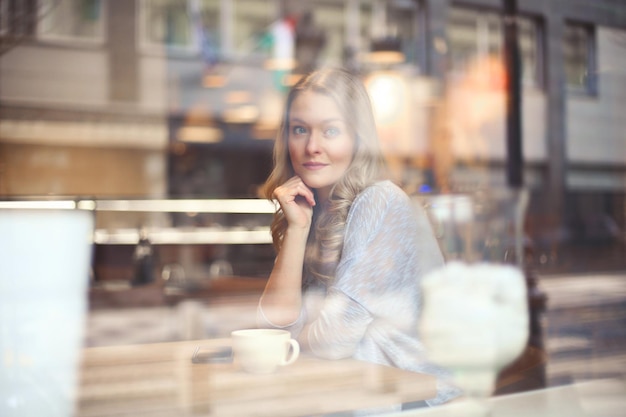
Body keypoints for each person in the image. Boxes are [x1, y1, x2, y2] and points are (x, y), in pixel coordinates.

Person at [257, 67, 459, 408]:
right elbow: (274, 330)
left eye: (331, 130)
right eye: (300, 129)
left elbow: (332, 341)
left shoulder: (381, 201)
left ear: (358, 139)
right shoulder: (313, 210)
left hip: (417, 404)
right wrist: (297, 229)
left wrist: (295, 339)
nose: (312, 147)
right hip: (350, 398)